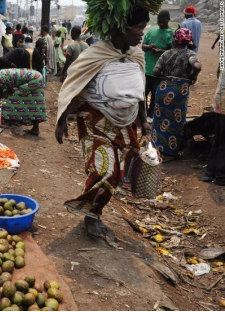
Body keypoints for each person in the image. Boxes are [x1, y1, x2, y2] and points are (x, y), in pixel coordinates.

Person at [56, 6, 152, 239]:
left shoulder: (136, 55)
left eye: (143, 27)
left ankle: (95, 210)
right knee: (105, 170)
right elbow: (74, 86)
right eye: (138, 27)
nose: (142, 33)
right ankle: (91, 215)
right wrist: (61, 120)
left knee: (118, 174)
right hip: (94, 120)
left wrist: (144, 120)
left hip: (125, 123)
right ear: (122, 27)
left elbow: (139, 91)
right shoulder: (95, 54)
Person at [151, 28, 202, 159]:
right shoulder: (190, 54)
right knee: (176, 120)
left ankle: (157, 146)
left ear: (175, 39)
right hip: (180, 91)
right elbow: (196, 66)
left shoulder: (166, 54)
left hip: (163, 89)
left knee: (159, 118)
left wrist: (165, 76)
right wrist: (193, 76)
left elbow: (155, 71)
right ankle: (171, 150)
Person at [0, 67, 47, 136]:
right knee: (34, 102)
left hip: (35, 79)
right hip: (37, 77)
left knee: (13, 98)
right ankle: (35, 129)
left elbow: (12, 92)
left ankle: (7, 123)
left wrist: (6, 93)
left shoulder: (1, 77)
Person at [143, 11, 174, 117]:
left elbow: (172, 52)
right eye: (159, 21)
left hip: (160, 71)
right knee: (144, 93)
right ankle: (144, 113)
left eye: (163, 21)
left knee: (156, 95)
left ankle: (151, 114)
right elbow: (143, 46)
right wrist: (149, 47)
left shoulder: (171, 33)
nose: (160, 23)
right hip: (147, 68)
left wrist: (160, 51)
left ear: (168, 19)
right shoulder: (152, 30)